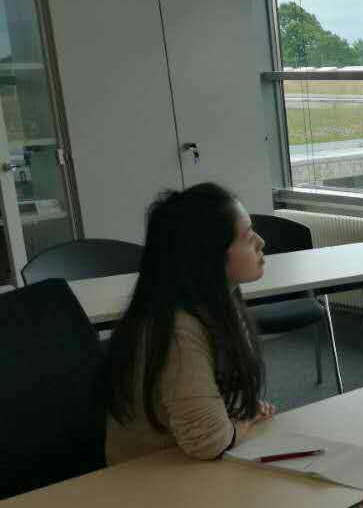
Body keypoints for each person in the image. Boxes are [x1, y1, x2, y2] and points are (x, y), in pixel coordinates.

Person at [103, 183, 276, 464]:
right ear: (210, 255)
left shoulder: (222, 302)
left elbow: (224, 392)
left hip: (188, 463)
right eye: (247, 237)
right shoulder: (179, 329)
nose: (261, 242)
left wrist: (238, 415)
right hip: (149, 475)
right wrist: (246, 420)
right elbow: (208, 442)